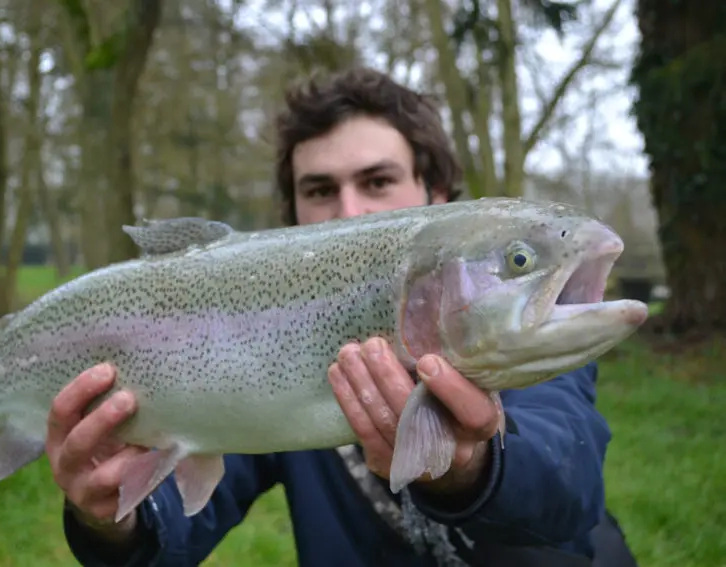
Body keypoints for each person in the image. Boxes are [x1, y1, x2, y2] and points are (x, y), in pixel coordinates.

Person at [46, 67, 637, 567]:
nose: (349, 210)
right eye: (320, 189)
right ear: (293, 209)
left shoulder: (512, 337)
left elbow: (571, 483)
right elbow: (176, 532)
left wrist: (473, 468)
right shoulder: (264, 335)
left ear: (436, 194)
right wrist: (108, 520)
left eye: (377, 181)